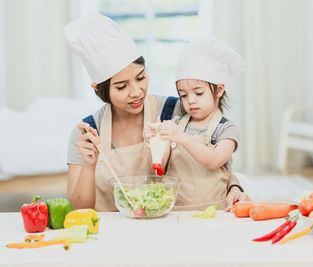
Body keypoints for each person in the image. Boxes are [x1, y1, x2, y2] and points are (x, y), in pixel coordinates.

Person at [64, 14, 249, 211]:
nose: (136, 92)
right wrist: (88, 164)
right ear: (98, 89)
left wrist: (235, 186)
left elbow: (212, 163)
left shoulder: (176, 111)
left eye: (141, 77)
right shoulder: (87, 134)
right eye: (121, 87)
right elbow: (77, 210)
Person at [153, 37, 247, 210]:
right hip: (174, 211)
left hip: (214, 212)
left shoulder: (226, 129)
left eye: (198, 93)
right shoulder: (176, 124)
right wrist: (155, 139)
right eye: (183, 95)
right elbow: (160, 164)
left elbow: (214, 161)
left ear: (219, 90)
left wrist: (181, 137)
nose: (190, 101)